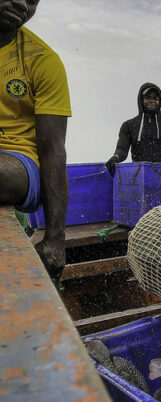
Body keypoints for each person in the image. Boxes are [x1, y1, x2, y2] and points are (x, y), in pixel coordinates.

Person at [0, 0, 72, 276]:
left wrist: (55, 238)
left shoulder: (42, 60)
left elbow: (53, 150)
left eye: (32, 0)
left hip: (18, 161)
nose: (22, 3)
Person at [105, 83, 161, 175]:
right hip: (138, 176)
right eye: (148, 97)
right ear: (141, 100)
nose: (152, 101)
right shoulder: (128, 125)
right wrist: (115, 157)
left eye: (155, 98)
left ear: (160, 101)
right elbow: (122, 149)